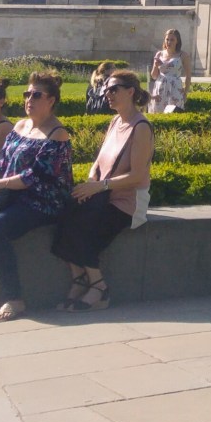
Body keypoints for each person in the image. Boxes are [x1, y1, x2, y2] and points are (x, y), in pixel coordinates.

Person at [0, 72, 73, 320]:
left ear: (51, 100)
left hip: (40, 202)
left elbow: (33, 177)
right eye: (27, 94)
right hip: (9, 196)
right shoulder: (20, 126)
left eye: (36, 95)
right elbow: (0, 163)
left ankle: (14, 299)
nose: (29, 99)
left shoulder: (57, 134)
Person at [53, 70, 154, 312]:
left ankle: (99, 287)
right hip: (103, 194)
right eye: (105, 89)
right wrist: (91, 182)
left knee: (83, 227)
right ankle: (79, 279)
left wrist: (99, 186)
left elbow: (137, 175)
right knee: (62, 213)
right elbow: (98, 162)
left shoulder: (141, 127)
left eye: (113, 89)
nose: (107, 94)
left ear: (130, 92)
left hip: (127, 202)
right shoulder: (115, 121)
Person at [149, 29, 191, 113]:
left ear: (177, 41)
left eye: (172, 40)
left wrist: (185, 91)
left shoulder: (183, 55)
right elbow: (154, 76)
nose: (169, 42)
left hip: (175, 88)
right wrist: (155, 66)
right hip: (160, 87)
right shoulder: (159, 54)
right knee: (158, 112)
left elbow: (188, 75)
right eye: (167, 39)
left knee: (173, 111)